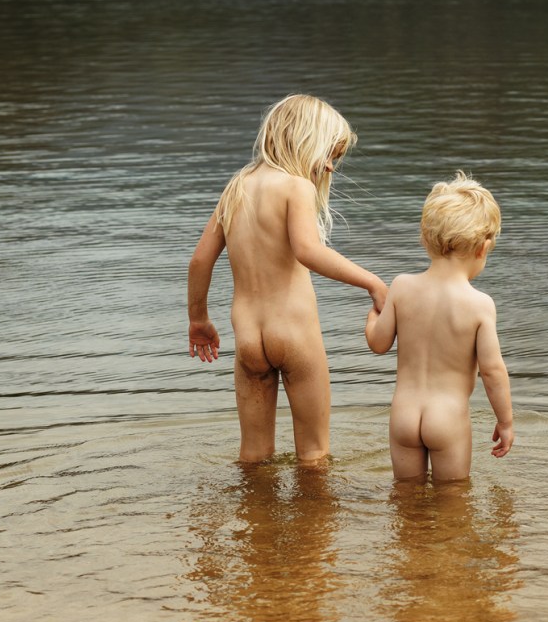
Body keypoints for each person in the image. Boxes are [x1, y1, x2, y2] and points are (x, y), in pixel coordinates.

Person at [187, 94, 387, 466]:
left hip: (248, 340)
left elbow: (199, 260)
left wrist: (198, 320)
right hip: (295, 337)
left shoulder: (236, 188)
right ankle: (313, 524)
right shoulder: (296, 187)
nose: (330, 167)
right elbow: (308, 251)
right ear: (305, 140)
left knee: (253, 457)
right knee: (314, 455)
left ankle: (258, 523)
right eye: (330, 154)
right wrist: (372, 283)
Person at [363, 173, 514, 483]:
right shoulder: (479, 304)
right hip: (448, 419)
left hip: (404, 416)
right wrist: (506, 422)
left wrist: (372, 316)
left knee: (405, 499)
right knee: (454, 502)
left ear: (424, 237)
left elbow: (378, 343)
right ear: (483, 248)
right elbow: (492, 371)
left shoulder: (402, 287)